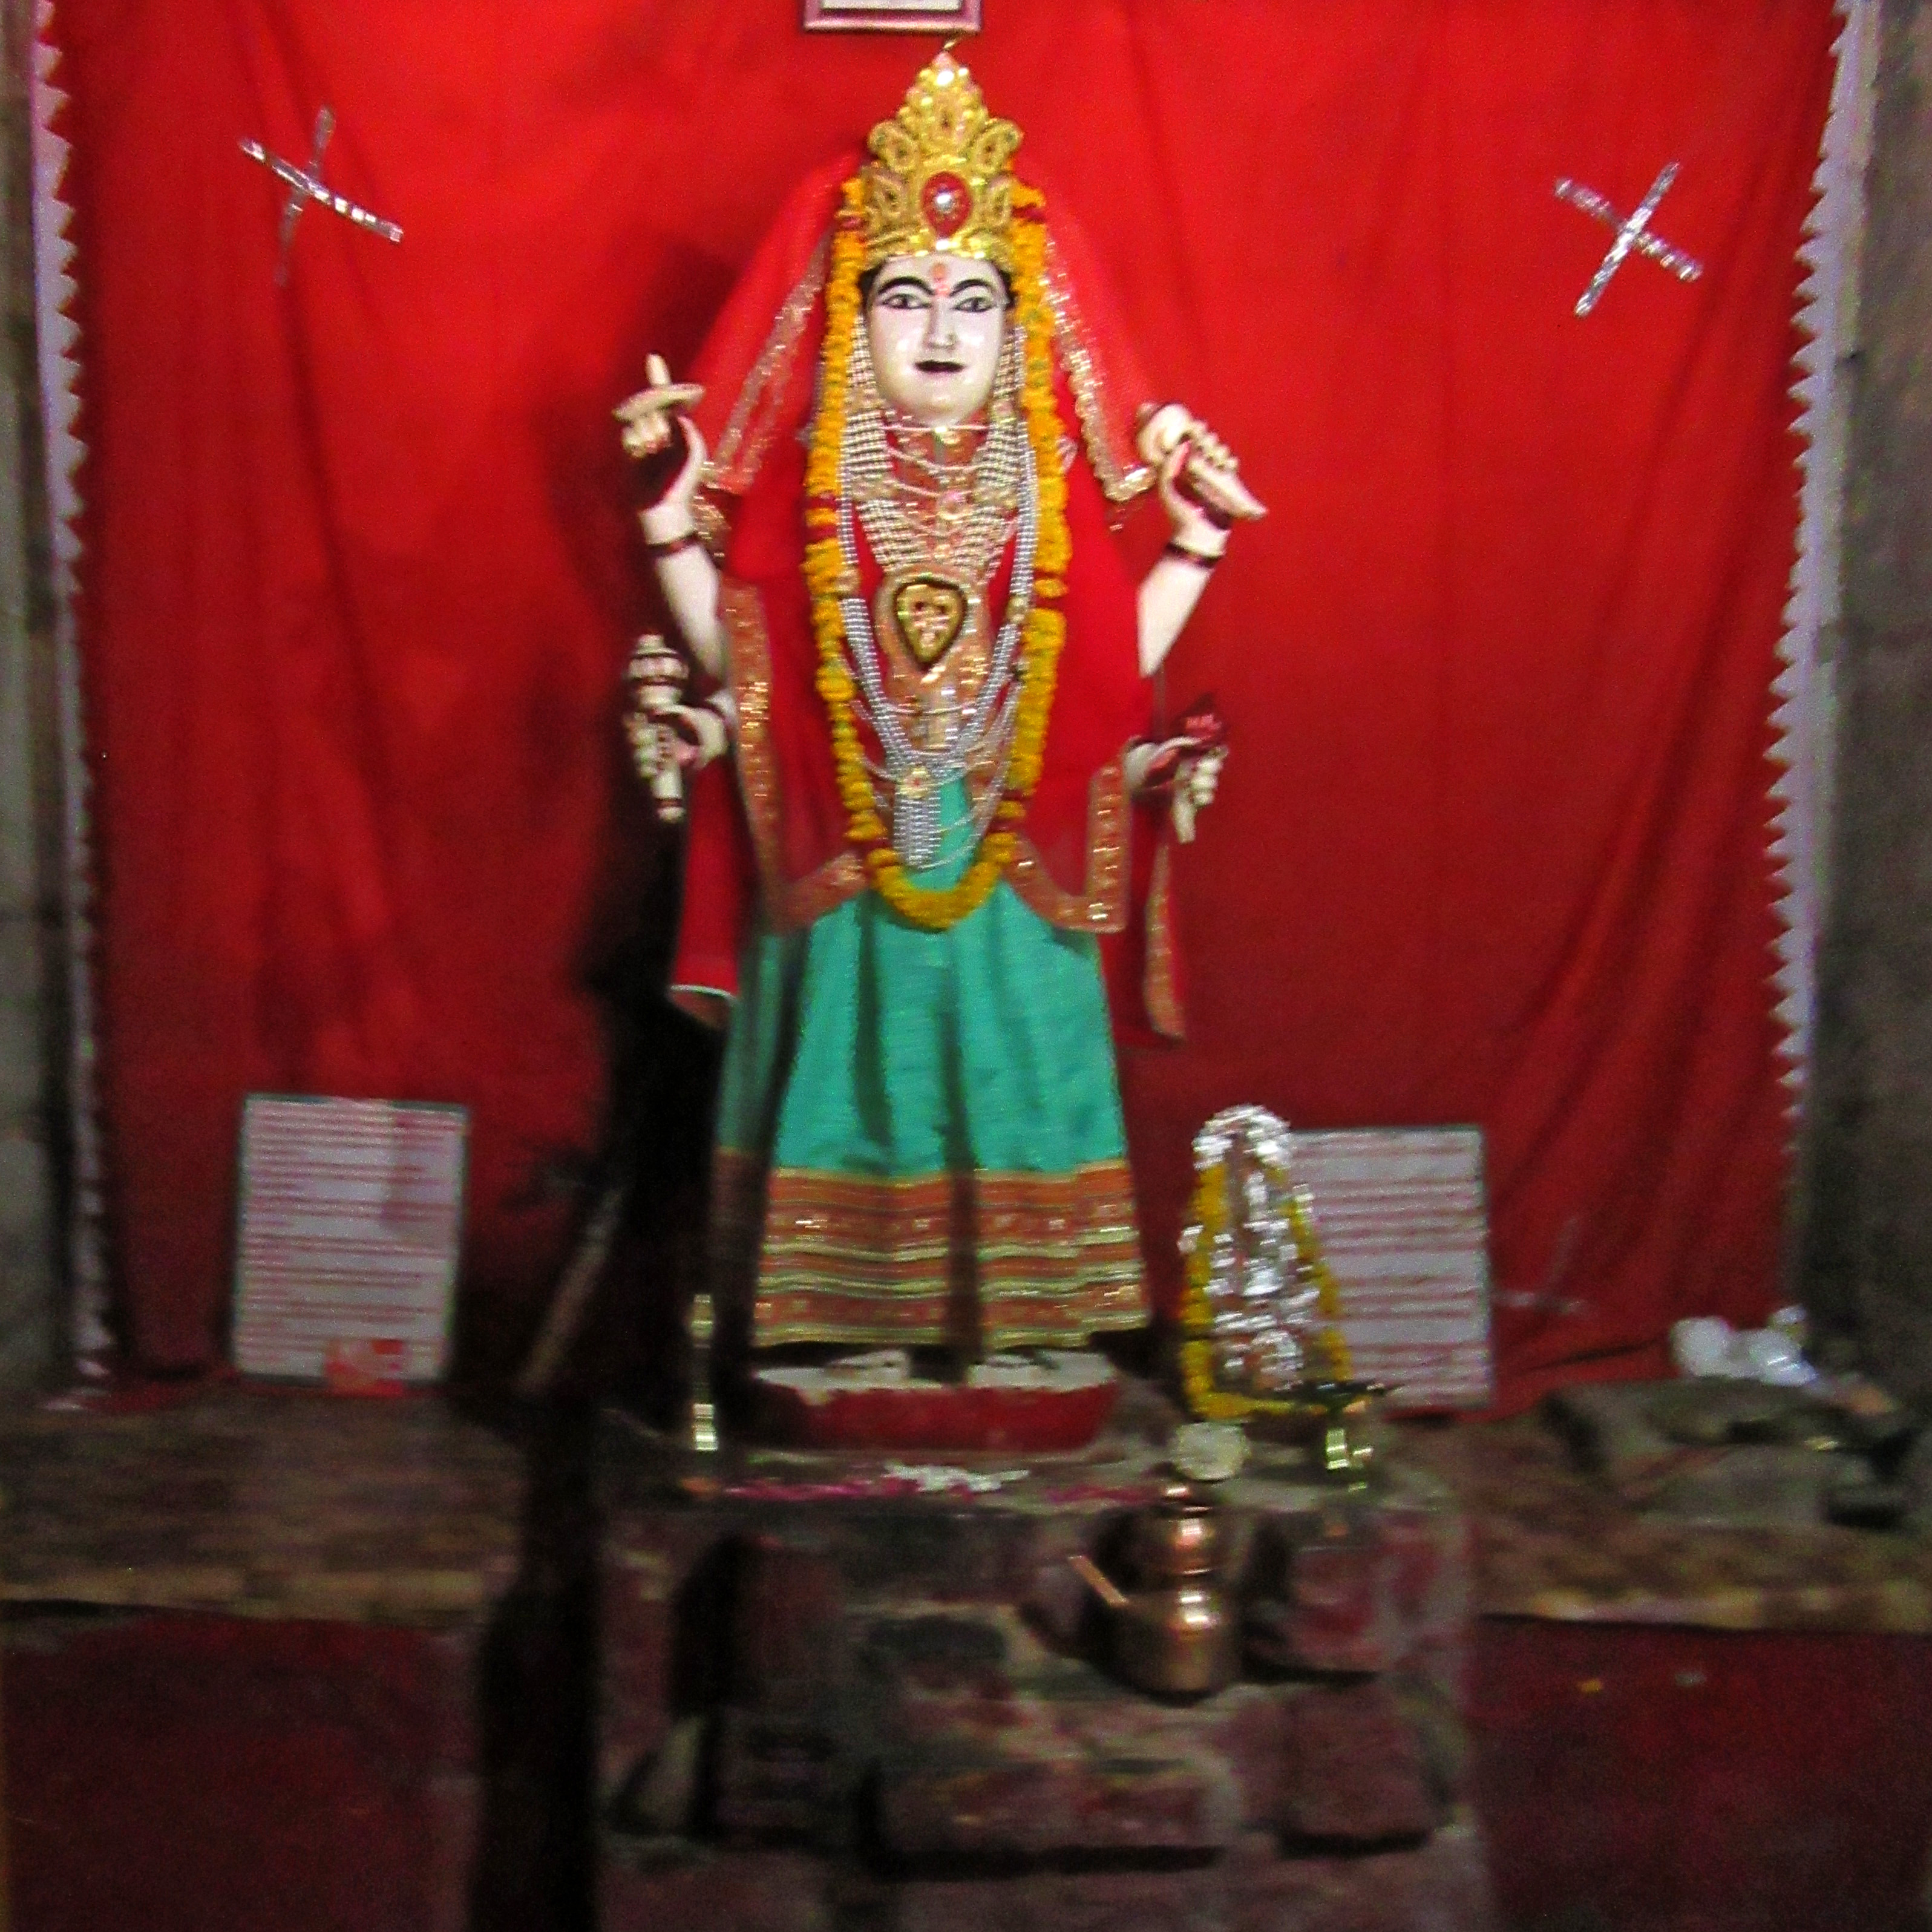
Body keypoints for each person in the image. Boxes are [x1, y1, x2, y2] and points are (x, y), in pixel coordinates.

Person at [618, 51, 1257, 1383]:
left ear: (1024, 326)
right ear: (849, 322)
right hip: (847, 854)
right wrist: (673, 525)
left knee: (1016, 1062)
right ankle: (848, 1320)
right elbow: (749, 668)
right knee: (859, 1070)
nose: (943, 331)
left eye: (978, 299)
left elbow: (1101, 688)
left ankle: (1018, 1322)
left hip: (1009, 861)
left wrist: (1186, 555)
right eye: (905, 297)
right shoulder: (811, 503)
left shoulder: (1056, 508)